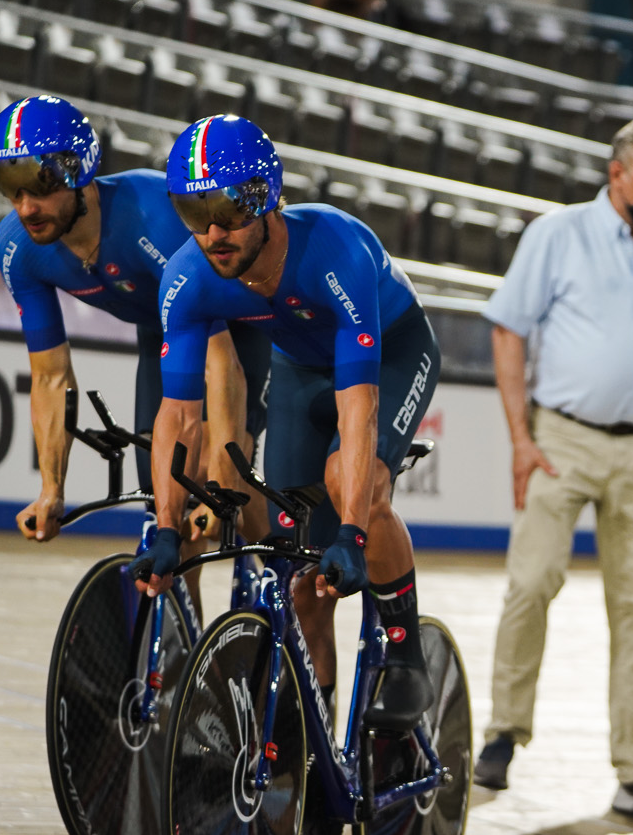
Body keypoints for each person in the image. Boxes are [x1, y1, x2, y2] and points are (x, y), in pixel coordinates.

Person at [137, 114, 442, 735]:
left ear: (270, 198)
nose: (214, 232)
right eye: (194, 214)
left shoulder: (335, 248)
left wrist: (354, 532)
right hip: (301, 367)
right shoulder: (187, 280)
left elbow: (360, 407)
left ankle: (405, 650)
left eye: (229, 209)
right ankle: (314, 750)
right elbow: (179, 415)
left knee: (349, 482)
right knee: (299, 573)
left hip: (392, 352)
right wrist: (166, 527)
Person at [476, 113, 633, 817]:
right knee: (531, 582)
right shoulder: (557, 234)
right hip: (562, 437)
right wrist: (521, 437)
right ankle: (501, 734)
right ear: (618, 174)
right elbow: (508, 330)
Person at [0, 96, 268, 542]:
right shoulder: (18, 247)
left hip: (240, 324)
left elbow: (221, 363)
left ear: (78, 170)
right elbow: (50, 377)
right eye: (11, 189)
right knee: (166, 502)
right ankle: (179, 610)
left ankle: (276, 572)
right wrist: (51, 491)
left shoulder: (153, 216)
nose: (26, 208)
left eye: (39, 187)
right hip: (166, 331)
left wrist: (221, 481)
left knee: (210, 475)